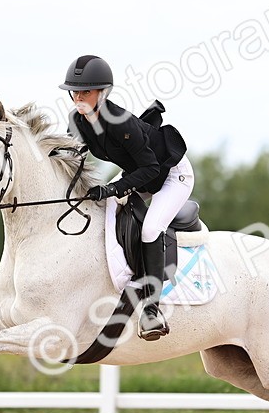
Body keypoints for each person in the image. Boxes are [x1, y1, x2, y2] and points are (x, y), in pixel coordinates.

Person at [60, 54, 193, 341]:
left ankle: (151, 309)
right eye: (75, 91)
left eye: (86, 91)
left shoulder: (120, 122)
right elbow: (74, 153)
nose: (79, 98)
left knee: (149, 229)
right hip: (140, 172)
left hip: (171, 175)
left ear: (102, 93)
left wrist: (114, 188)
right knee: (102, 209)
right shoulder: (78, 120)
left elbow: (151, 168)